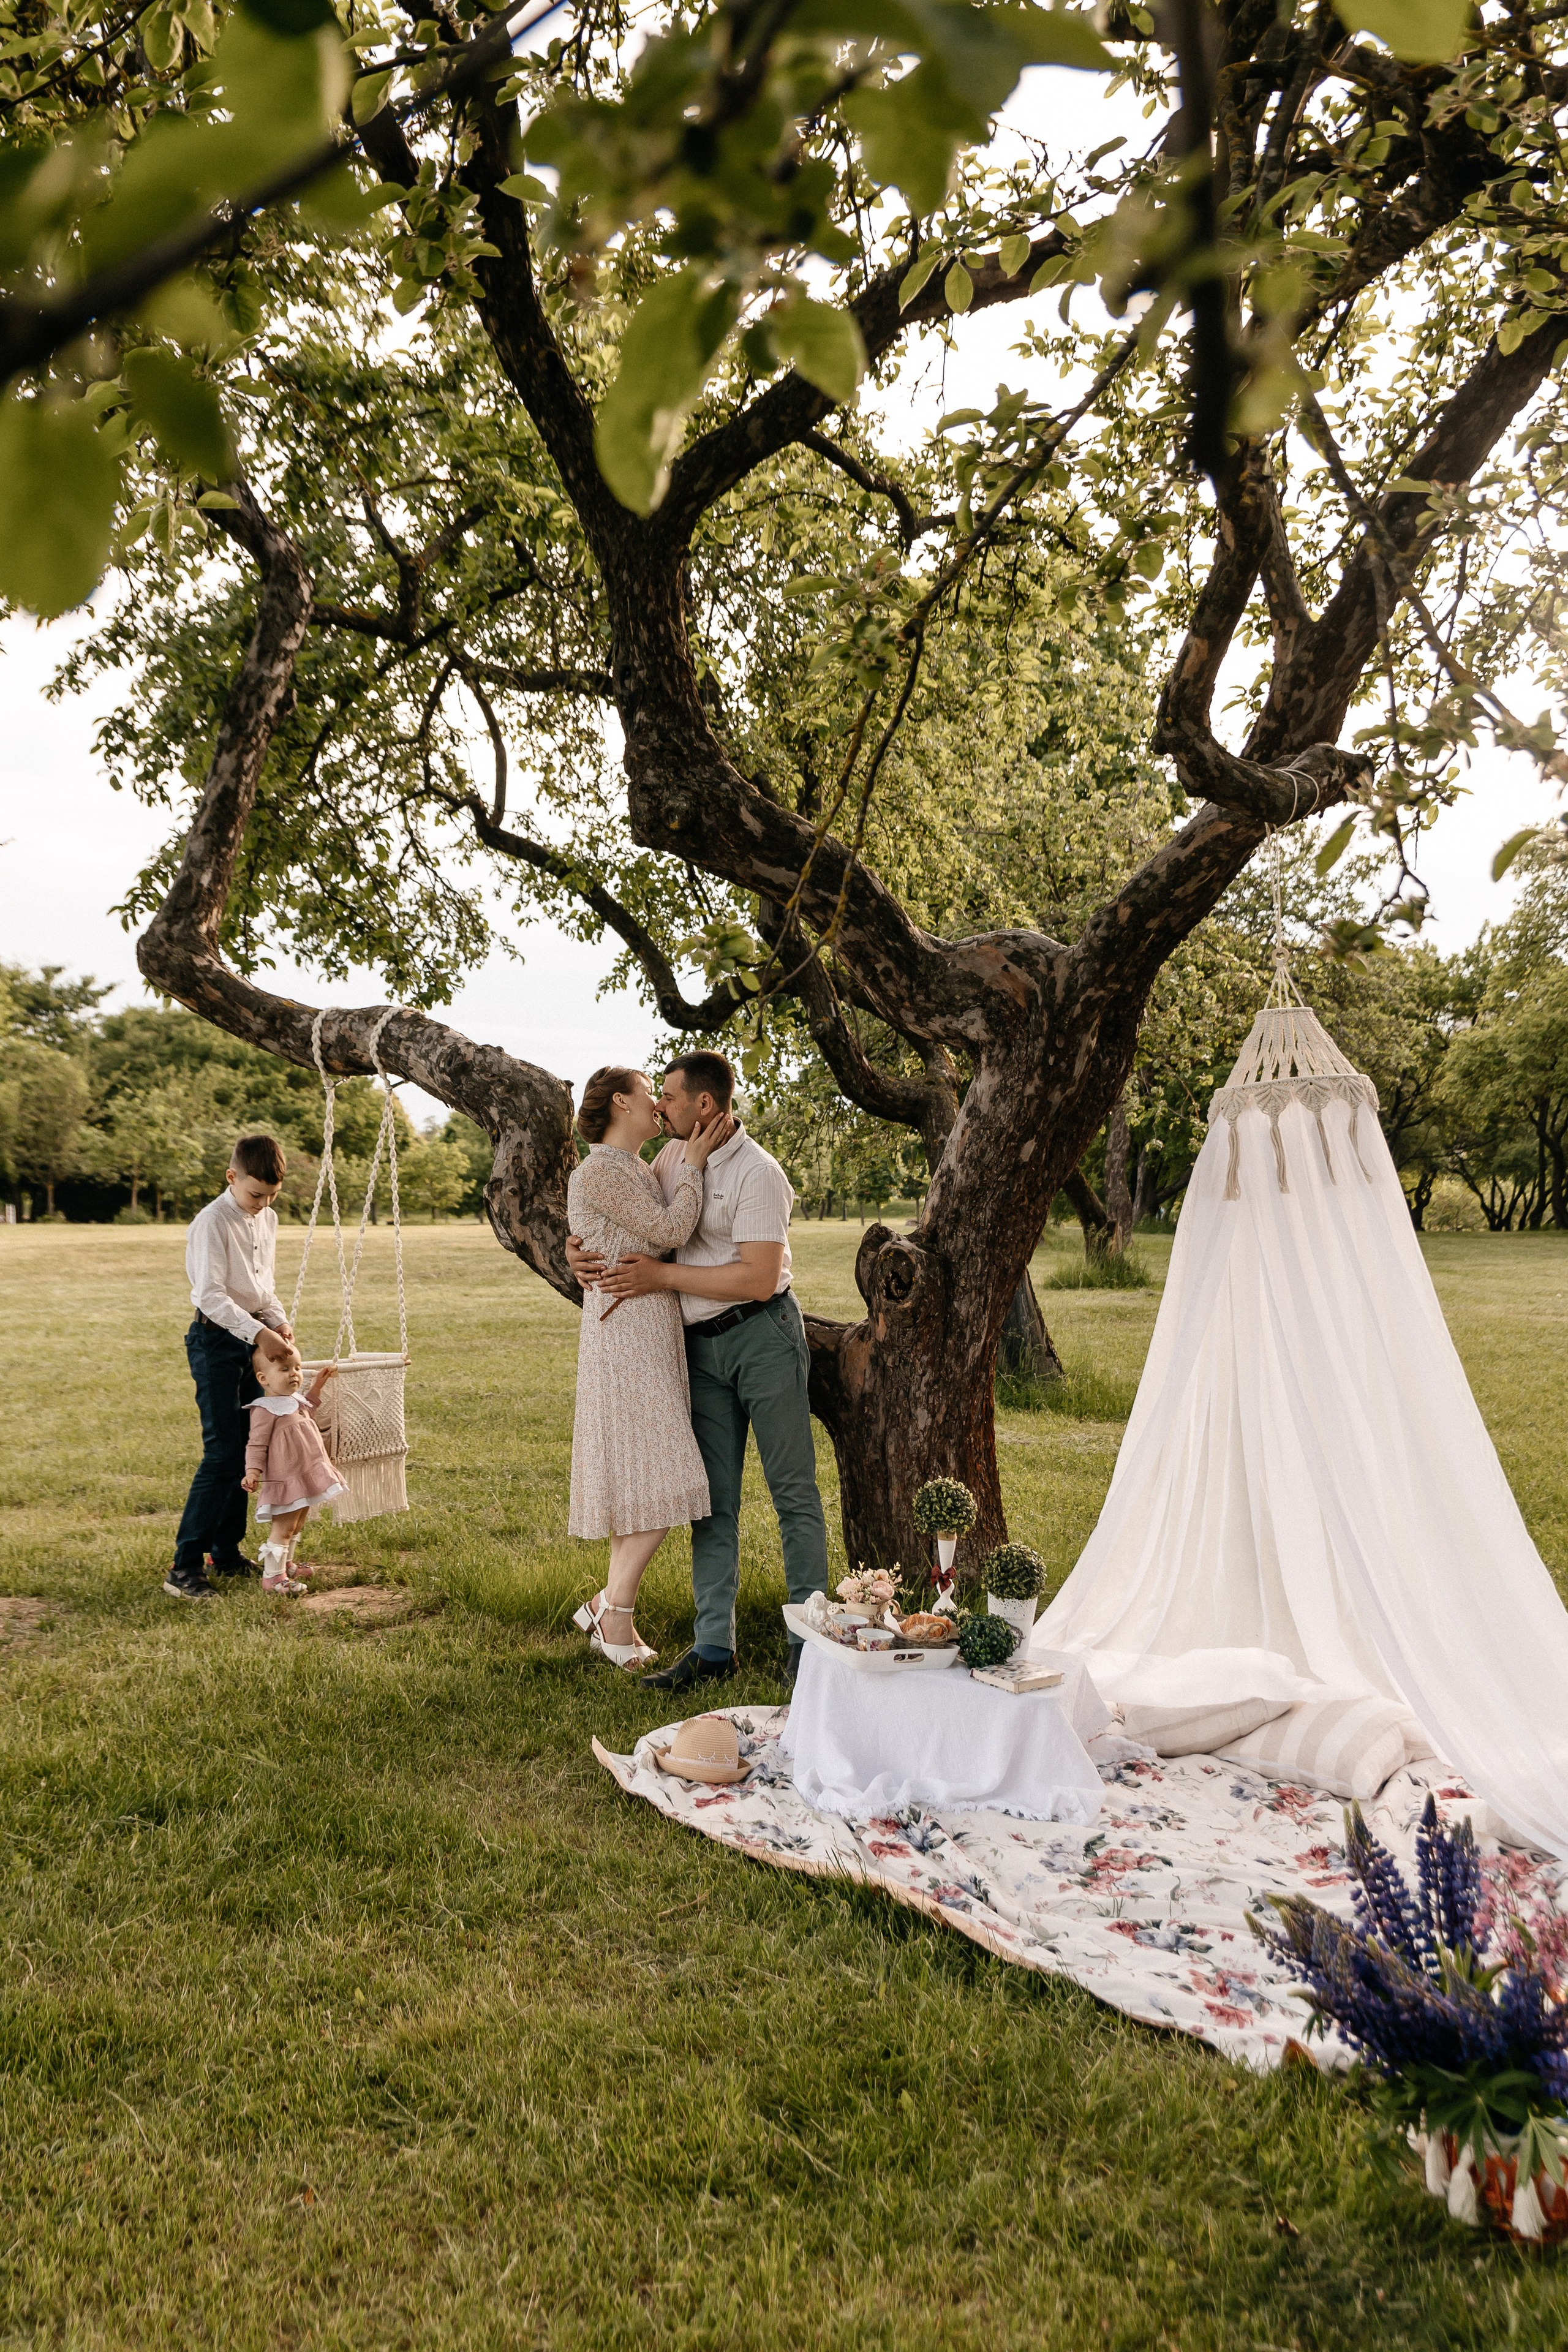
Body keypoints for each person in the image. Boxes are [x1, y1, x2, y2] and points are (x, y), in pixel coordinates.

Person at [567, 1050, 829, 1690]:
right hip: (696, 1350)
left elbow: (760, 1278)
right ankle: (714, 1648)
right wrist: (578, 1249)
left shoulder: (757, 1174)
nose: (661, 1105)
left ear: (704, 1105)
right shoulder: (666, 1157)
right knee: (711, 1503)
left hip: (760, 1336)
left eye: (672, 1098)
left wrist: (661, 1276)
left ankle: (810, 1646)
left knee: (791, 1490)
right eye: (654, 1096)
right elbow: (615, 1210)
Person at [565, 1067, 736, 1668]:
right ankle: (615, 1618)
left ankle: (604, 1607)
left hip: (647, 1333)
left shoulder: (636, 1167)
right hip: (626, 1339)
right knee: (668, 1483)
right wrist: (692, 1162)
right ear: (621, 1100)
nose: (658, 1105)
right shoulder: (601, 1169)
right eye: (649, 1092)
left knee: (642, 1484)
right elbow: (669, 1230)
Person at [167, 1133, 296, 1601]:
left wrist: (277, 1321)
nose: (263, 1204)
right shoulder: (212, 1222)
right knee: (222, 1453)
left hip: (252, 1341)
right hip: (215, 1341)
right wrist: (259, 1333)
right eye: (255, 1194)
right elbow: (211, 1295)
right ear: (232, 1178)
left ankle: (226, 1552)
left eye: (271, 1196)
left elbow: (263, 1287)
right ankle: (184, 1566)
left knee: (248, 1451)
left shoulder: (270, 1219)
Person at [242, 1344, 344, 1594]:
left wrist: (317, 1386)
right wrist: (253, 1471)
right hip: (286, 1479)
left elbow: (310, 1407)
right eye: (285, 1369)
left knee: (297, 1525)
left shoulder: (295, 1400)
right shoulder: (264, 1410)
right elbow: (257, 1443)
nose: (294, 1374)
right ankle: (273, 1578)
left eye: (297, 1368)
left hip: (307, 1473)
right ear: (263, 1378)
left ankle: (286, 1564)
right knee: (284, 1527)